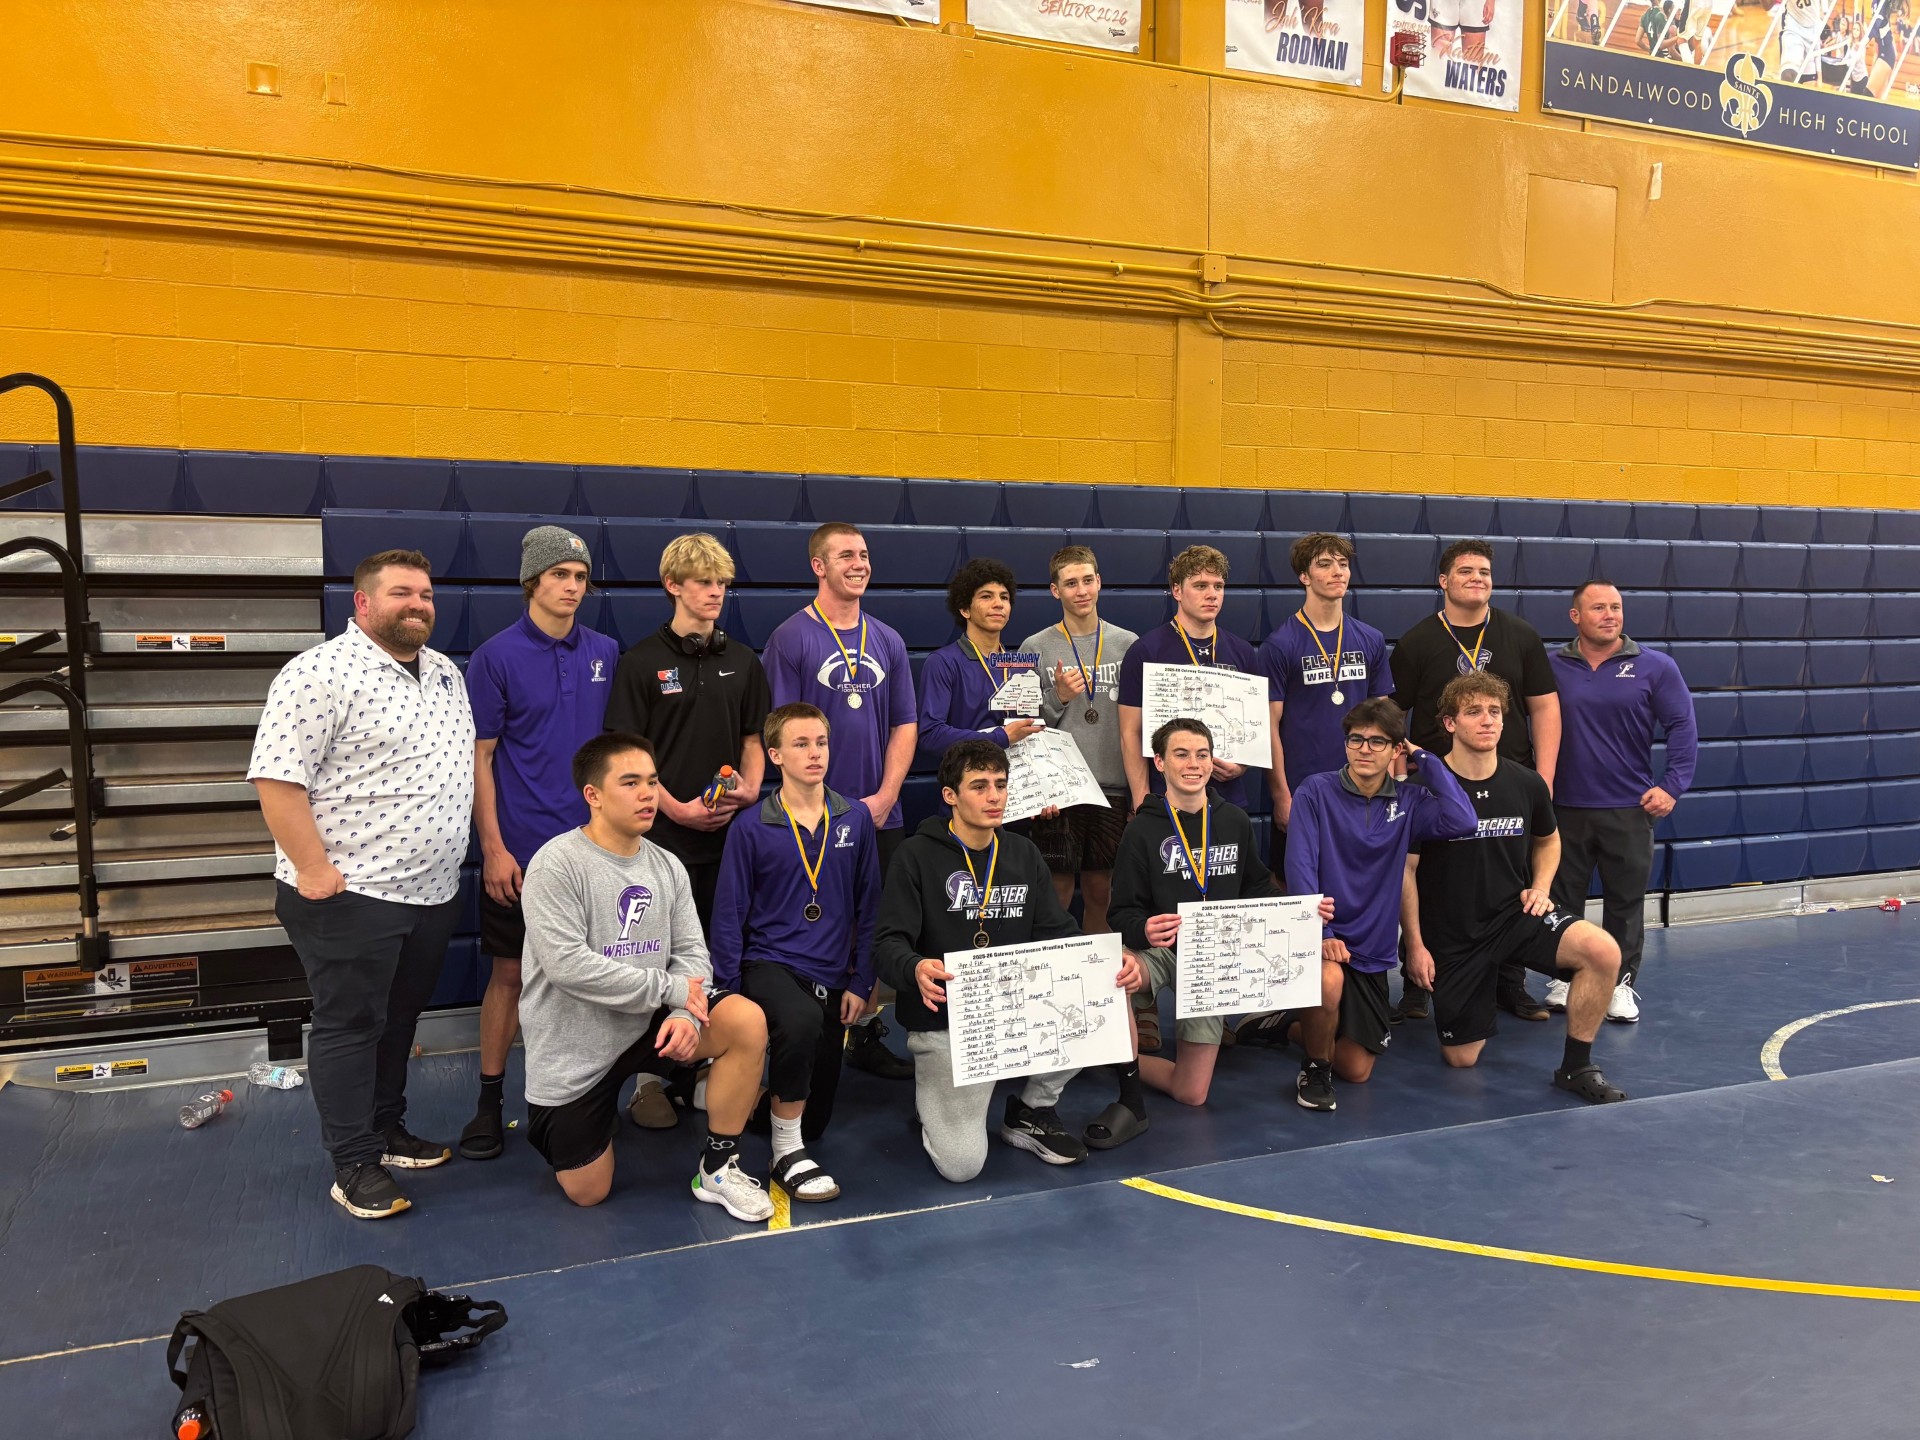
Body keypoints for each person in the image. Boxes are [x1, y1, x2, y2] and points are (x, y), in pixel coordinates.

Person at [248, 548, 474, 1220]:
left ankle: (385, 1129)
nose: (419, 604)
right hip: (349, 895)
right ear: (364, 603)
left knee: (397, 1019)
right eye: (402, 593)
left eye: (427, 595)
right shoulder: (318, 674)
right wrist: (316, 869)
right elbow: (277, 779)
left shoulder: (444, 675)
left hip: (429, 891)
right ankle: (353, 1163)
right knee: (350, 1024)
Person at [518, 732, 772, 1220]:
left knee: (745, 1020)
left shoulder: (667, 865)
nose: (647, 794)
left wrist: (684, 1013)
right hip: (577, 1049)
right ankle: (607, 1109)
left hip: (651, 1023)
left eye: (652, 782)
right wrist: (674, 991)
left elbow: (694, 953)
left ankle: (718, 1168)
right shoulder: (556, 864)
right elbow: (568, 965)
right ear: (593, 795)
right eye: (630, 782)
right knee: (588, 1192)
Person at [872, 739, 1146, 1182]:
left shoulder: (1021, 853)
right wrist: (915, 968)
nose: (994, 796)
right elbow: (886, 945)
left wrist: (1110, 960)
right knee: (962, 1167)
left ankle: (1033, 1109)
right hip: (949, 1021)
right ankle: (936, 1102)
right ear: (950, 796)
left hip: (1016, 1009)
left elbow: (1058, 931)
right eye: (979, 786)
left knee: (1102, 989)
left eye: (1000, 784)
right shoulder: (915, 856)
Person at [457, 525, 620, 1162]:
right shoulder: (496, 657)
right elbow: (481, 757)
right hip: (522, 854)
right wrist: (493, 849)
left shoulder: (606, 648)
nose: (572, 588)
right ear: (533, 581)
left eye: (580, 577)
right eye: (560, 576)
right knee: (508, 974)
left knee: (606, 975)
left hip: (595, 853)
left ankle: (595, 1096)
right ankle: (490, 1101)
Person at [1106, 718, 1340, 1134]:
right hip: (1165, 953)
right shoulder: (1142, 830)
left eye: (1202, 754)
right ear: (1159, 762)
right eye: (1181, 754)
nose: (1194, 764)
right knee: (1117, 968)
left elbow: (1257, 889)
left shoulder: (1232, 819)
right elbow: (1120, 914)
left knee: (1191, 1093)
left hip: (1217, 961)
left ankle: (1123, 1057)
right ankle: (1122, 1062)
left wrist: (1302, 909)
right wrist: (1144, 930)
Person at [604, 532, 770, 1116]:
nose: (716, 593)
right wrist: (672, 807)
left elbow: (754, 741)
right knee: (655, 957)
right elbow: (629, 756)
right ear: (673, 585)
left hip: (730, 838)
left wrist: (750, 789)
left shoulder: (744, 660)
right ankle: (649, 1079)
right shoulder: (641, 662)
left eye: (723, 584)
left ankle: (709, 1064)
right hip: (661, 837)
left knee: (722, 952)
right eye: (704, 583)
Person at [1401, 675, 1627, 1103]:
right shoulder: (1420, 789)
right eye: (1473, 712)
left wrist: (1541, 886)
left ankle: (1577, 1066)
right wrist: (1414, 945)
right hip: (1454, 936)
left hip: (1513, 914)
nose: (1487, 721)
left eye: (1494, 712)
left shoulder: (1526, 784)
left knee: (1603, 951)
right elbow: (1405, 873)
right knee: (1462, 1058)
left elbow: (1548, 840)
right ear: (1449, 723)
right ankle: (1483, 992)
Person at [760, 522, 917, 1080]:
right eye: (846, 554)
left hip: (879, 811)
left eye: (865, 554)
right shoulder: (791, 638)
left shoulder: (889, 640)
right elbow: (782, 731)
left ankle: (866, 1029)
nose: (860, 563)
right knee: (819, 920)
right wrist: (818, 804)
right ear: (818, 566)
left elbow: (905, 724)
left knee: (874, 924)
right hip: (812, 817)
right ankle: (815, 1030)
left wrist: (885, 796)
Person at [709, 704, 880, 1202]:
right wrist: (726, 991)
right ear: (775, 754)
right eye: (800, 744)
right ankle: (786, 1152)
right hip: (769, 963)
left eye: (821, 743)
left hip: (832, 972)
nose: (813, 754)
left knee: (818, 1116)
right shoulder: (751, 826)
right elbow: (728, 913)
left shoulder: (855, 820)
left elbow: (870, 909)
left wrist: (861, 981)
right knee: (800, 1022)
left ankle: (719, 1092)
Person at [1390, 539, 1560, 1024]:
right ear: (1443, 581)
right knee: (1425, 878)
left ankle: (1510, 984)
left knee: (1513, 880)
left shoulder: (1520, 634)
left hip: (1508, 779)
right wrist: (1401, 774)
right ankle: (1417, 985)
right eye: (1465, 571)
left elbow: (1544, 706)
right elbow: (1395, 714)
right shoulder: (1419, 641)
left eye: (1485, 571)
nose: (1477, 579)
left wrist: (1542, 779)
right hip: (1438, 785)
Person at [1284, 698, 1477, 1095]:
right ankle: (1315, 1066)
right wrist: (1320, 935)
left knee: (1356, 1070)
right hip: (1326, 940)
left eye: (1377, 741)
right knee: (1328, 982)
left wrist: (1426, 759)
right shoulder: (1314, 791)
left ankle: (1285, 1027)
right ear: (1345, 744)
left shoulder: (1409, 803)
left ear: (1395, 750)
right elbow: (1300, 869)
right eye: (1356, 740)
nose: (1365, 750)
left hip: (1373, 950)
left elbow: (1463, 820)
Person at [1548, 582, 1697, 1024]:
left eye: (1616, 607)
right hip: (1563, 808)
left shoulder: (1656, 667)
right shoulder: (1549, 665)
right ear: (1576, 616)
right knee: (1560, 901)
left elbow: (1683, 728)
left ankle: (1620, 984)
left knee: (1625, 903)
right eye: (1598, 608)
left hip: (1628, 810)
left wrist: (1672, 786)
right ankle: (1562, 977)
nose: (1609, 615)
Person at [1022, 546, 1144, 1042]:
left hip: (1112, 788)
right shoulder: (1035, 646)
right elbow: (1026, 724)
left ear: (1099, 583)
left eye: (1088, 580)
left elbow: (1140, 722)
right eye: (1070, 583)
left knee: (1102, 893)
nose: (1081, 590)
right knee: (1057, 894)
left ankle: (1097, 1000)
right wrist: (1060, 697)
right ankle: (1051, 1000)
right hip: (1059, 791)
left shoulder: (1127, 643)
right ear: (1055, 591)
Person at [1261, 532, 1390, 860]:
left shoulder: (1371, 639)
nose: (1338, 572)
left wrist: (1389, 779)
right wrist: (1281, 796)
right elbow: (1267, 727)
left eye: (1343, 564)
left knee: (1356, 874)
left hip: (1362, 783)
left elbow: (1385, 718)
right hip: (1303, 786)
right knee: (1294, 883)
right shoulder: (1280, 644)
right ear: (1304, 576)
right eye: (1325, 564)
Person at [1118, 544, 1264, 816]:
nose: (1212, 595)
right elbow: (1131, 733)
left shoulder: (1243, 652)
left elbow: (1253, 727)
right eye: (1200, 586)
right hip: (1166, 799)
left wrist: (1242, 766)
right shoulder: (1146, 651)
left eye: (1218, 586)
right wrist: (1141, 799)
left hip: (1226, 797)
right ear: (1177, 590)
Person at [917, 556, 1047, 764]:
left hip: (1021, 784)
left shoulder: (1020, 667)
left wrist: (1061, 696)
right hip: (969, 782)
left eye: (1004, 598)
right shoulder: (942, 662)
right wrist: (1000, 738)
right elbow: (930, 735)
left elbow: (1032, 725)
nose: (998, 604)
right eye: (986, 597)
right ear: (964, 609)